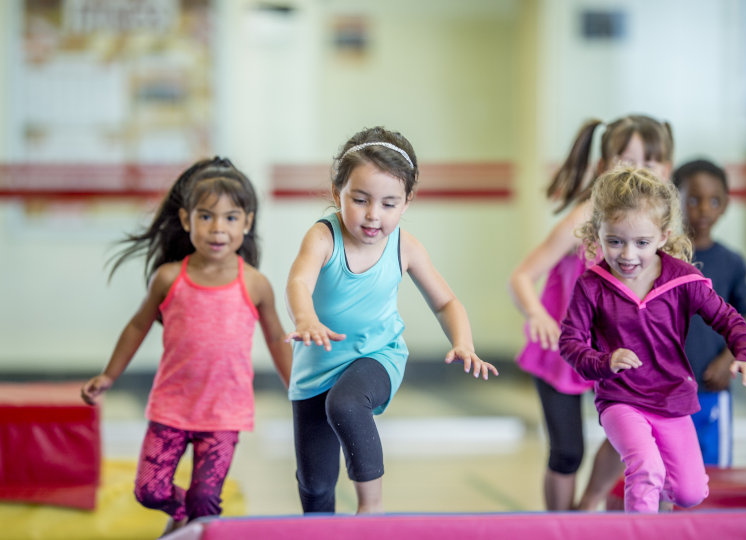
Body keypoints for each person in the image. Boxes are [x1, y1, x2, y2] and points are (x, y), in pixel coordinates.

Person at [285, 126, 498, 515]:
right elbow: (299, 280)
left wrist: (462, 341)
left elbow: (446, 301)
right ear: (338, 194)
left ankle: (372, 509)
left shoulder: (405, 245)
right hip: (315, 368)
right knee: (315, 487)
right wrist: (307, 318)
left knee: (347, 404)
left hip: (377, 356)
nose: (372, 215)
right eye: (360, 200)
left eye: (388, 204)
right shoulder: (323, 237)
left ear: (406, 203)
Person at [80, 157, 292, 536]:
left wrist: (297, 386)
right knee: (149, 490)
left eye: (230, 218)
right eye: (206, 216)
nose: (218, 228)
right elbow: (137, 325)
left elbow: (276, 338)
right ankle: (184, 516)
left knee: (206, 498)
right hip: (171, 408)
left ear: (247, 222)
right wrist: (109, 375)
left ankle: (196, 524)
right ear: (185, 219)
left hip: (224, 413)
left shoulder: (255, 284)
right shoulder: (169, 277)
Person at [559, 166, 746, 513]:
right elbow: (570, 342)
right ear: (598, 234)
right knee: (646, 470)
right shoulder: (592, 285)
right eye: (615, 241)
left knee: (689, 492)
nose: (627, 255)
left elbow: (728, 317)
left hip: (672, 401)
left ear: (663, 236)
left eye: (641, 243)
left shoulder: (683, 279)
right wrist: (604, 362)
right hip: (621, 400)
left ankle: (661, 515)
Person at [508, 114, 674, 510]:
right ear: (603, 167)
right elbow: (521, 276)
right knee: (567, 452)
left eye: (649, 163)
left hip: (617, 353)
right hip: (565, 349)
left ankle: (585, 512)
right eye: (625, 161)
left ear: (665, 170)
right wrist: (537, 314)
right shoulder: (584, 219)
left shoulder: (656, 227)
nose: (637, 172)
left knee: (632, 433)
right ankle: (561, 525)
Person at [673, 159, 746, 467]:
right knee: (671, 473)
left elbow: (741, 323)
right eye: (693, 199)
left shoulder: (733, 264)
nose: (703, 209)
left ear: (725, 205)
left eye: (713, 200)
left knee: (713, 472)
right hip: (668, 393)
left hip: (712, 389)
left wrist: (728, 360)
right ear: (674, 201)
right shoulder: (661, 259)